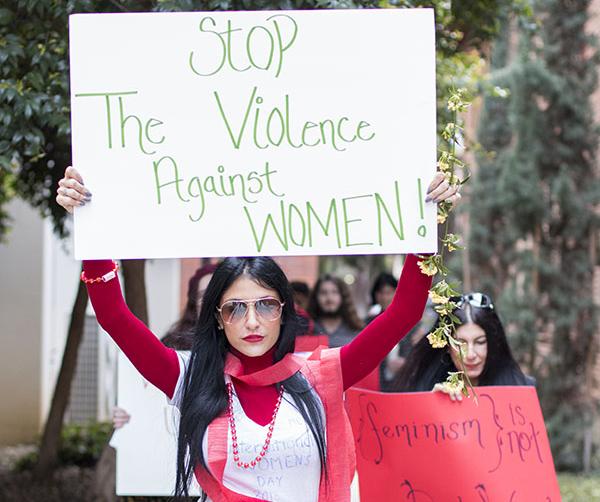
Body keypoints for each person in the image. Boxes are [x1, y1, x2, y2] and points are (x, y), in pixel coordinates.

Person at [56, 165, 459, 501]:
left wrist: (429, 220)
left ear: (285, 312)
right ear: (217, 317)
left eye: (265, 305)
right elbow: (112, 314)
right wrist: (89, 223)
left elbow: (405, 311)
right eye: (235, 308)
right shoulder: (192, 376)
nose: (251, 321)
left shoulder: (320, 375)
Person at [113, 263, 218, 428]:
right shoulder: (173, 345)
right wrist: (129, 414)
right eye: (203, 295)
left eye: (218, 294)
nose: (211, 302)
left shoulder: (244, 349)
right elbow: (146, 398)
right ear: (193, 303)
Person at [391, 292, 534, 400]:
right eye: (459, 343)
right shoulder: (422, 388)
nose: (470, 354)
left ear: (492, 343)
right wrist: (432, 403)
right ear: (447, 346)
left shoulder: (521, 390)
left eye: (480, 342)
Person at [307, 274, 363, 348]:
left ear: (343, 296)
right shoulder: (305, 328)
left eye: (335, 292)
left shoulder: (356, 329)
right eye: (323, 293)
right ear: (315, 297)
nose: (329, 298)